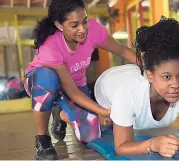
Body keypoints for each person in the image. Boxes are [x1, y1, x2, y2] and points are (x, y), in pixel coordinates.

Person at [93, 16, 179, 157]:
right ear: (150, 76)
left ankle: (121, 116)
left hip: (133, 83)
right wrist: (154, 144)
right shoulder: (127, 93)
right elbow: (121, 147)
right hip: (107, 84)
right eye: (167, 77)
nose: (176, 85)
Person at [24, 0, 137, 160]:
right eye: (74, 25)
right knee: (47, 81)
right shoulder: (50, 46)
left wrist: (149, 66)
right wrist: (103, 111)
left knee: (90, 136)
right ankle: (42, 138)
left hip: (75, 85)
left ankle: (60, 114)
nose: (82, 29)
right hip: (42, 83)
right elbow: (72, 93)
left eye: (84, 21)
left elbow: (123, 51)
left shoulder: (94, 30)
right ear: (59, 25)